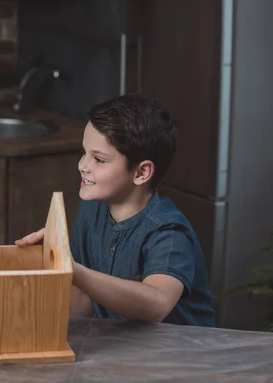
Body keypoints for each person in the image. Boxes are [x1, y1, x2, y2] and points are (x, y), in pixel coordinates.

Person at [16, 94, 216, 326]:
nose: (82, 166)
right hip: (126, 350)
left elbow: (157, 304)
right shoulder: (92, 209)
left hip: (181, 356)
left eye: (99, 159)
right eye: (84, 153)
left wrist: (74, 270)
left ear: (141, 173)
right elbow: (83, 298)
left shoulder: (169, 233)